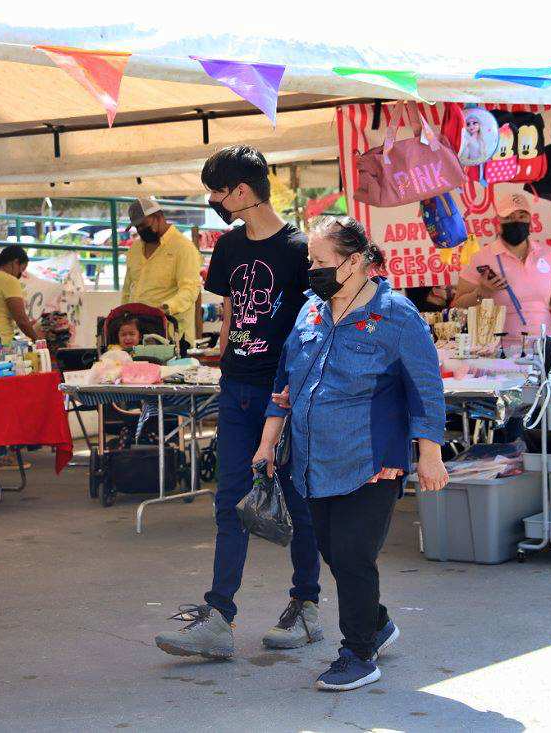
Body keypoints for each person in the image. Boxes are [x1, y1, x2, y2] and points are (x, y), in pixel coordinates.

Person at [254, 216, 448, 692]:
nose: (312, 270)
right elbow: (284, 384)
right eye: (310, 261)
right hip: (313, 460)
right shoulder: (309, 313)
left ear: (357, 261)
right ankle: (377, 623)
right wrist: (267, 443)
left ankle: (358, 652)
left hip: (373, 459)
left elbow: (426, 388)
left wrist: (431, 454)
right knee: (332, 552)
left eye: (321, 261)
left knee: (353, 554)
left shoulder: (396, 315)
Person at [154, 145, 322, 661]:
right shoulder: (228, 248)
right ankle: (218, 617)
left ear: (242, 192)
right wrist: (223, 350)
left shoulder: (299, 250)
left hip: (286, 395)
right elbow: (230, 308)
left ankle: (305, 607)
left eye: (217, 192)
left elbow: (314, 325)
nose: (214, 201)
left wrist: (295, 390)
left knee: (297, 501)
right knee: (229, 502)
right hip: (237, 390)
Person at [450, 191, 551, 344]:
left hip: (544, 344)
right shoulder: (480, 258)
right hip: (499, 351)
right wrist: (482, 292)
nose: (516, 221)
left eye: (522, 216)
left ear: (530, 219)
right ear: (498, 222)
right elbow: (456, 308)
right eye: (509, 217)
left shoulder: (548, 254)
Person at [120, 197, 203, 343]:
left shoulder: (183, 248)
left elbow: (190, 290)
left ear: (158, 217)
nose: (140, 230)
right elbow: (128, 289)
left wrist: (166, 308)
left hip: (171, 334)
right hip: (139, 334)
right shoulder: (135, 249)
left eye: (143, 225)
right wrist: (122, 315)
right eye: (136, 227)